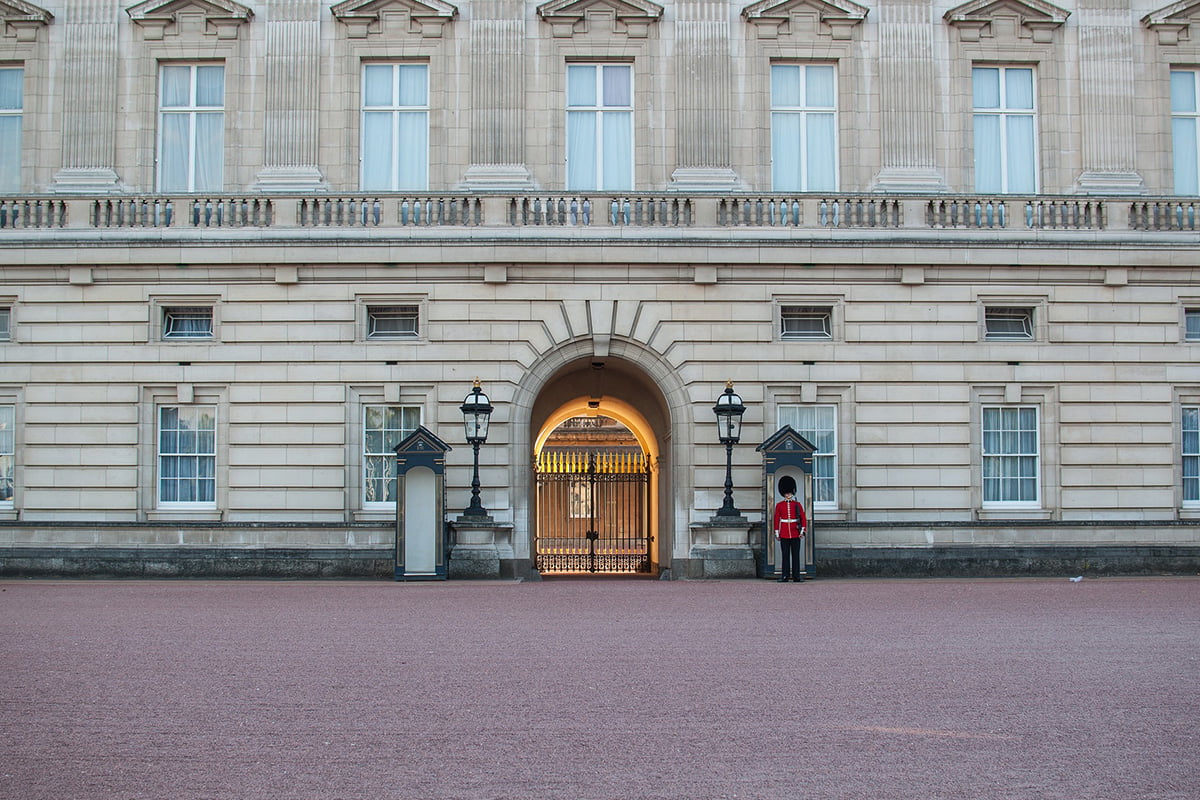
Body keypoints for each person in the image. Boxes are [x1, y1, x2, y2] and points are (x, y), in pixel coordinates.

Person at [772, 475, 807, 582]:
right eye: (786, 493)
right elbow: (776, 519)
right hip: (784, 533)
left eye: (790, 493)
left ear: (793, 493)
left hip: (795, 532)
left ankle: (796, 576)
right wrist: (777, 533)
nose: (788, 495)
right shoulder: (779, 505)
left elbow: (803, 518)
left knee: (796, 556)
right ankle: (785, 576)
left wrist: (802, 531)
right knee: (785, 556)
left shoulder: (797, 504)